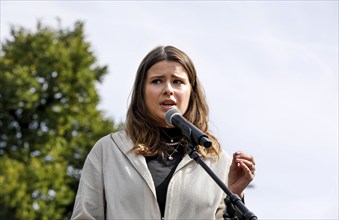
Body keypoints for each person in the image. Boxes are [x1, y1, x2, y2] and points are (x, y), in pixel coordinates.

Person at [71, 45, 256, 220]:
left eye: (177, 82)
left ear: (191, 92)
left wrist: (234, 195)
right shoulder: (108, 151)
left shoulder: (215, 161)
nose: (168, 89)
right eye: (157, 81)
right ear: (141, 91)